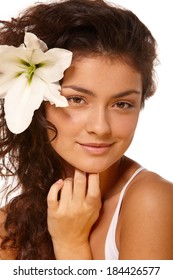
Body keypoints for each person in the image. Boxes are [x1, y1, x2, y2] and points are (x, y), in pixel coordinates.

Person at [0, 0, 173, 260]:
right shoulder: (11, 223)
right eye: (77, 99)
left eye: (122, 104)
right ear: (38, 103)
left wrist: (71, 244)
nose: (100, 127)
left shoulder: (152, 203)